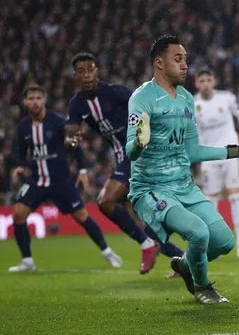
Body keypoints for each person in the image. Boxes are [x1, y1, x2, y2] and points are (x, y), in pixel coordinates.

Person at [126, 35, 239, 304]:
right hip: (152, 189)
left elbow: (193, 152)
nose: (185, 66)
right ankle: (202, 288)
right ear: (159, 63)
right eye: (177, 59)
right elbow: (129, 151)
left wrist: (238, 150)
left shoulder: (185, 99)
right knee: (199, 233)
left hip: (184, 185)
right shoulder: (141, 98)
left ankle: (185, 265)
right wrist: (138, 141)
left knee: (224, 241)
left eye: (185, 60)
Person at [66, 52, 184, 275]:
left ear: (96, 71)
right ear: (76, 76)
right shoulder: (76, 104)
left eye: (90, 69)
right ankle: (181, 257)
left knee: (105, 201)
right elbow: (70, 138)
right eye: (81, 72)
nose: (87, 75)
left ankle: (147, 244)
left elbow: (145, 104)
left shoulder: (114, 92)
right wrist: (71, 141)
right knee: (139, 217)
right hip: (122, 156)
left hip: (138, 152)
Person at [9, 85, 121, 271]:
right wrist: (20, 166)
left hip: (60, 180)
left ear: (44, 100)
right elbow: (21, 152)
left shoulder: (58, 122)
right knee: (18, 214)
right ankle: (27, 261)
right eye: (32, 98)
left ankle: (106, 250)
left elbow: (75, 147)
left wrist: (83, 170)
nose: (35, 101)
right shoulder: (23, 127)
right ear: (25, 102)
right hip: (37, 180)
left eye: (39, 97)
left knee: (82, 216)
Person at [194, 69, 239, 259]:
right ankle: (215, 245)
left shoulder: (227, 98)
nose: (205, 84)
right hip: (208, 155)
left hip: (231, 150)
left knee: (235, 195)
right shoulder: (192, 103)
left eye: (208, 80)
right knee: (210, 200)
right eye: (201, 80)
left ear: (215, 81)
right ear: (197, 84)